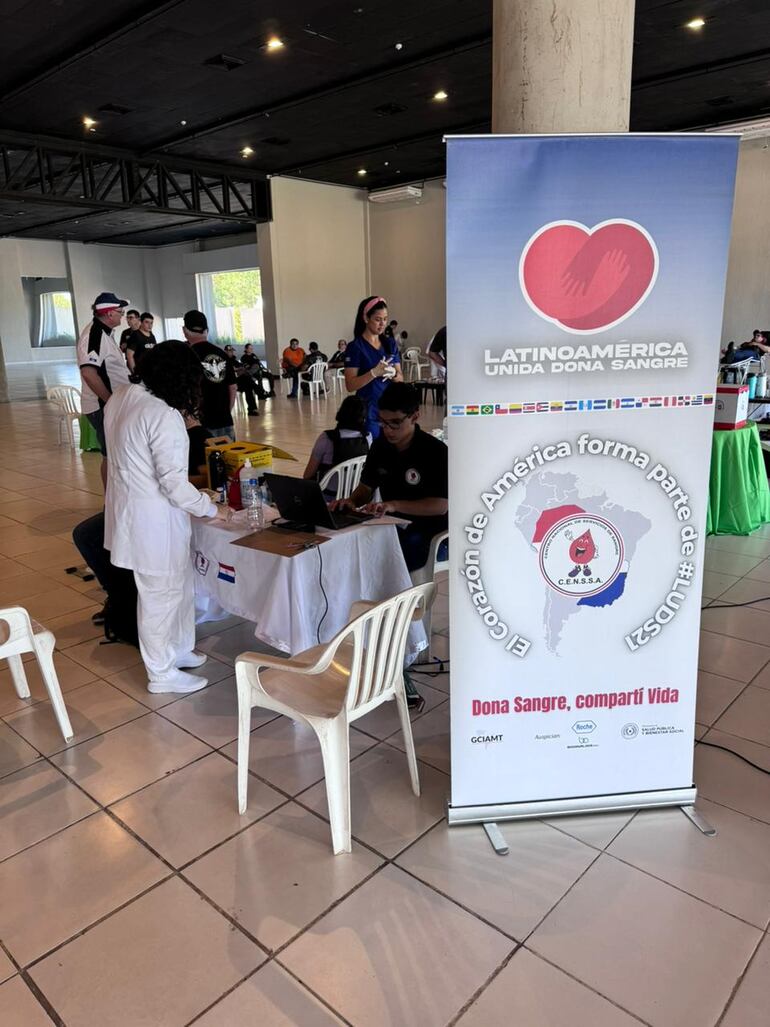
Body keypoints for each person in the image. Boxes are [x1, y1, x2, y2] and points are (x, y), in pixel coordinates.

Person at [104, 342, 229, 694]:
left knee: (176, 589)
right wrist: (211, 507)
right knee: (160, 596)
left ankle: (178, 650)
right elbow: (173, 485)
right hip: (153, 523)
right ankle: (161, 672)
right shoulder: (163, 414)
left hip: (134, 514)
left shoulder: (123, 395)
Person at [333, 382, 447, 571]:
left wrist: (393, 505)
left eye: (395, 423)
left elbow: (441, 506)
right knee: (347, 545)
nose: (388, 429)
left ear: (415, 417)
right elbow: (365, 489)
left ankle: (396, 597)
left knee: (394, 556)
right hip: (389, 525)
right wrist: (351, 502)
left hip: (430, 531)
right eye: (382, 422)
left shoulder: (435, 451)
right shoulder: (380, 446)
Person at [77, 291, 131, 487]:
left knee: (115, 453)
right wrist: (111, 400)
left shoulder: (105, 333)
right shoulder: (94, 336)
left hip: (111, 403)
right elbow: (89, 373)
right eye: (120, 311)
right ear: (109, 314)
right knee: (111, 454)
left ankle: (116, 497)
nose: (122, 314)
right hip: (102, 406)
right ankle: (111, 501)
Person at [344, 295, 403, 438]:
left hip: (391, 409)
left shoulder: (389, 344)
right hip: (369, 411)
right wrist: (373, 373)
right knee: (374, 452)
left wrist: (393, 374)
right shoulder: (355, 347)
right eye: (377, 319)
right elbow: (350, 385)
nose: (382, 324)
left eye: (385, 319)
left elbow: (401, 378)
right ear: (366, 318)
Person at [182, 310, 237, 438]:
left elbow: (185, 391)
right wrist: (226, 412)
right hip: (225, 421)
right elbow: (233, 387)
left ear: (185, 331)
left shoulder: (186, 356)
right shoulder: (222, 354)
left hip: (199, 424)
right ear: (207, 330)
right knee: (228, 457)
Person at [303, 396, 371, 495]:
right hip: (354, 495)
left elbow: (308, 475)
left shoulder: (327, 438)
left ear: (341, 413)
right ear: (364, 418)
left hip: (328, 495)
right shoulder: (368, 438)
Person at [224, 344, 260, 416]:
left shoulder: (234, 360)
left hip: (239, 381)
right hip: (230, 384)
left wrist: (241, 368)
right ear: (225, 351)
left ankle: (251, 409)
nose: (231, 353)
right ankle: (258, 390)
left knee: (248, 386)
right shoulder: (223, 361)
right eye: (229, 351)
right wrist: (235, 369)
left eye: (232, 351)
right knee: (248, 382)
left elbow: (241, 366)